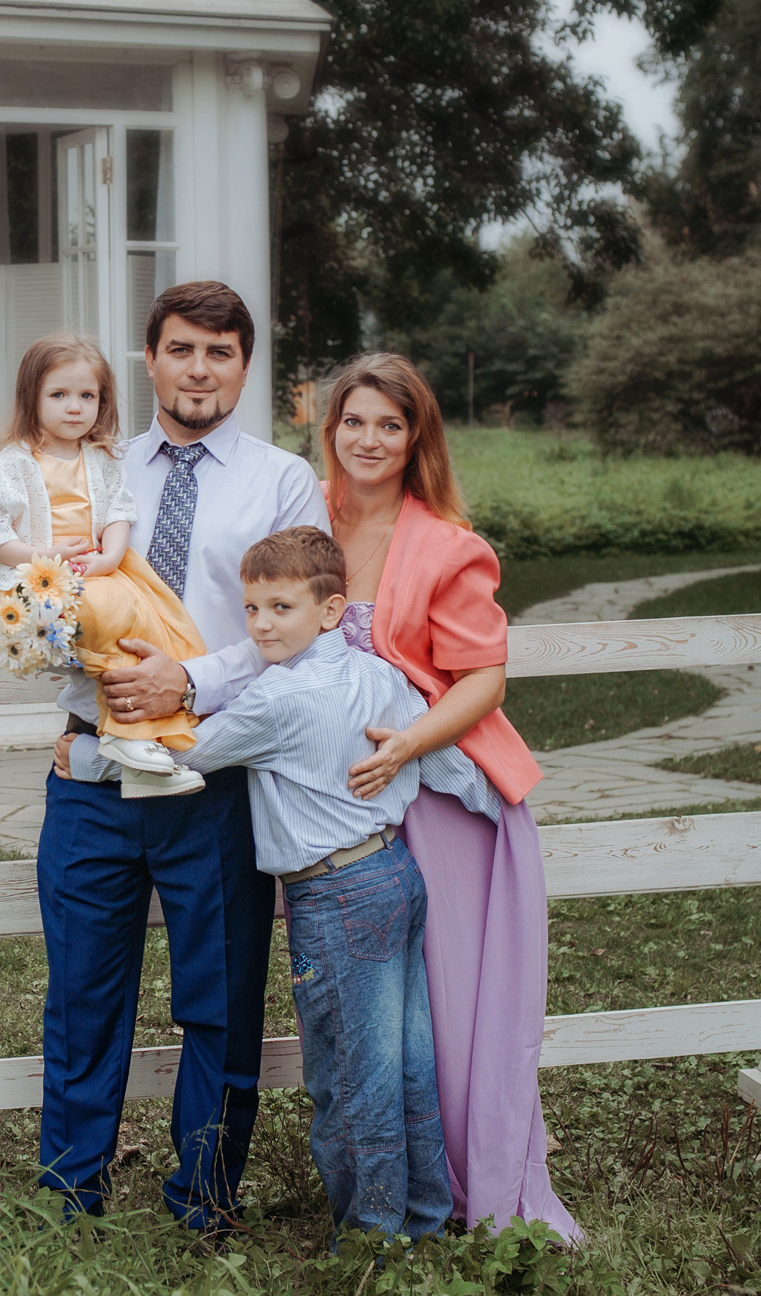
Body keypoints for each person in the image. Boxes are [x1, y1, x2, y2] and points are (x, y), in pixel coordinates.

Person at [69, 526, 490, 1242]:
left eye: (281, 608)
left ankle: (371, 1239)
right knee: (408, 1061)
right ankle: (421, 1215)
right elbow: (442, 761)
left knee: (350, 1076)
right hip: (394, 875)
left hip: (335, 898)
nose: (261, 624)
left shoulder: (276, 700)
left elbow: (180, 758)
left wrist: (83, 754)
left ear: (329, 611)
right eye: (253, 608)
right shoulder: (377, 673)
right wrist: (491, 809)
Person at [34, 281, 330, 1229]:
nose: (199, 368)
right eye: (181, 349)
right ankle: (71, 1195)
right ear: (149, 359)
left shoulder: (283, 480)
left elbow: (301, 631)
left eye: (220, 352)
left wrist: (190, 682)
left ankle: (203, 1198)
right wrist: (69, 676)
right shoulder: (94, 467)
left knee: (221, 999)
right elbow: (46, 591)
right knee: (84, 997)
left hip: (215, 771)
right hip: (94, 773)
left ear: (244, 365)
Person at [305, 352, 583, 1239]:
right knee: (372, 999)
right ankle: (397, 1175)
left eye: (392, 424)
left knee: (449, 993)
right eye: (356, 421)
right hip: (336, 807)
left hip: (438, 798)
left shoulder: (449, 545)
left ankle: (473, 1182)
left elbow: (484, 680)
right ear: (331, 427)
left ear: (417, 436)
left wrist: (406, 747)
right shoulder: (303, 521)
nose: (371, 439)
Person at [0, 333, 208, 798]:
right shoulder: (13, 463)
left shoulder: (101, 458)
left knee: (166, 627)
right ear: (31, 399)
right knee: (108, 615)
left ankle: (146, 751)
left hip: (98, 570)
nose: (74, 407)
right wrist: (47, 557)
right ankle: (127, 738)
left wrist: (111, 555)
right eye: (58, 395)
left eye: (87, 396)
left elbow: (119, 511)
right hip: (37, 579)